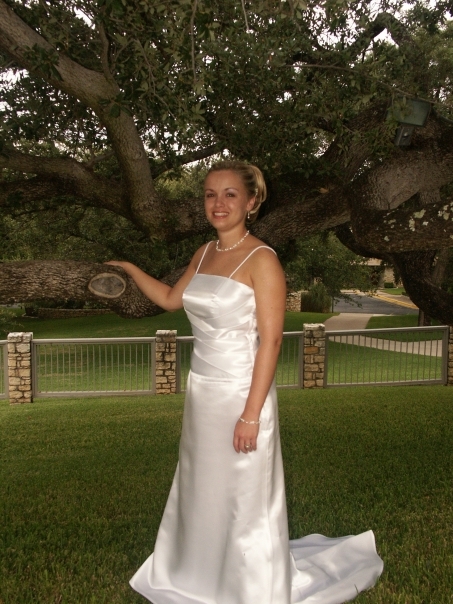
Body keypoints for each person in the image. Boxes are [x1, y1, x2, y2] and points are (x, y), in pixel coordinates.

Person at [107, 160, 383, 604]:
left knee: (242, 494)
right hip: (203, 392)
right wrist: (129, 268)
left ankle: (248, 584)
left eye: (230, 194)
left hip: (242, 394)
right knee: (203, 486)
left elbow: (271, 342)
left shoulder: (263, 259)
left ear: (251, 202)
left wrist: (251, 415)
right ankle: (197, 572)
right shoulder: (204, 253)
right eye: (210, 194)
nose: (218, 203)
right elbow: (172, 299)